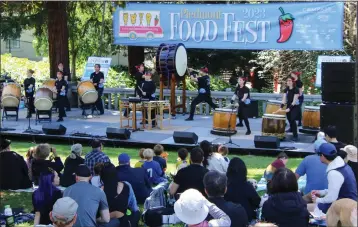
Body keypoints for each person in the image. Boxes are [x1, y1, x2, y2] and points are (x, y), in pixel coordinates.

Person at [310, 143, 357, 213]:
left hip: (346, 207)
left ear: (322, 156)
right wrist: (321, 192)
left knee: (306, 208)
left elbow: (332, 198)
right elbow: (337, 189)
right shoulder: (343, 165)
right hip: (348, 202)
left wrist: (317, 200)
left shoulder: (334, 172)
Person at [224, 157, 261, 222]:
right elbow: (257, 202)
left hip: (228, 218)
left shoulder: (224, 185)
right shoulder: (247, 186)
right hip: (246, 219)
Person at [277, 76, 300, 141]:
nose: (288, 82)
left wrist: (289, 108)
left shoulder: (296, 89)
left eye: (290, 81)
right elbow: (284, 100)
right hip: (289, 105)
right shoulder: (286, 89)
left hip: (295, 106)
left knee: (292, 119)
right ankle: (292, 128)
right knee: (289, 119)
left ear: (293, 82)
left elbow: (294, 101)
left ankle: (295, 136)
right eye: (287, 81)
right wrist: (281, 107)